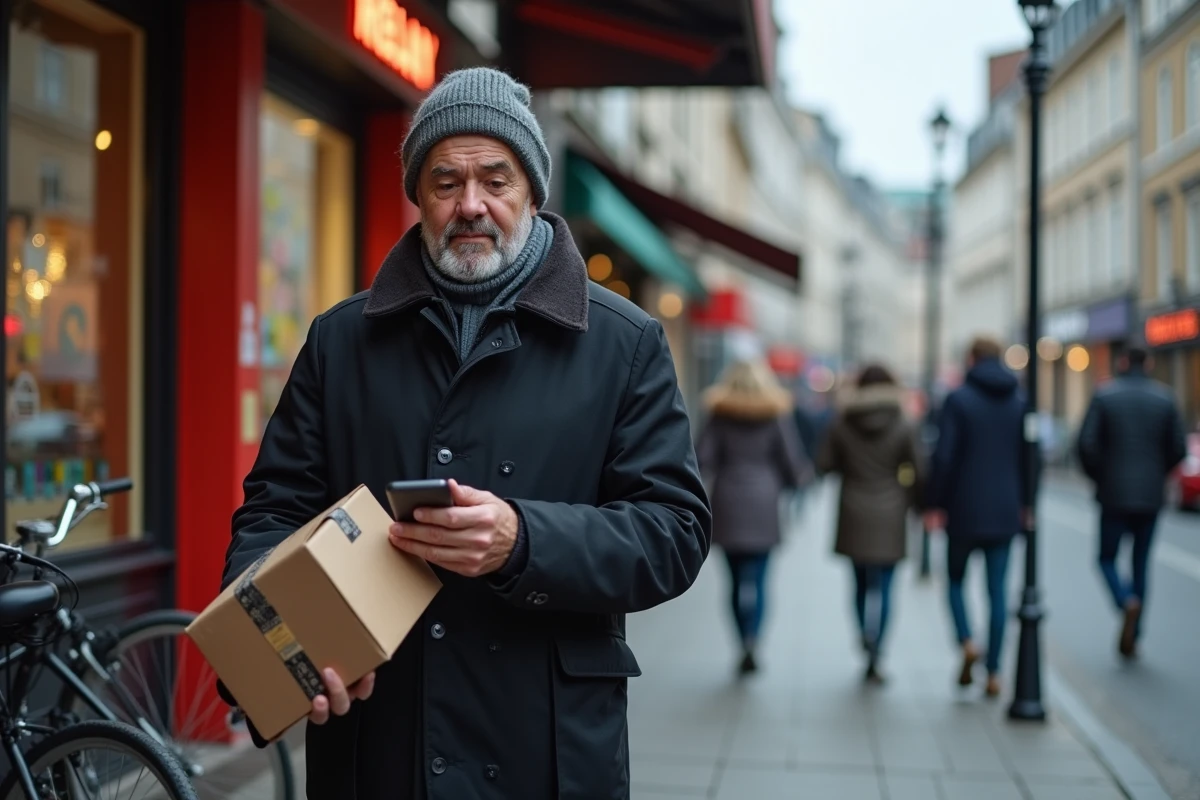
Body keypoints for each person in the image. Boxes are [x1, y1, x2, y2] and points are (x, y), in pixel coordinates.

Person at [218, 67, 712, 799]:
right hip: (377, 752)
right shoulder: (340, 339)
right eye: (445, 181)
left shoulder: (625, 341)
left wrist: (524, 540)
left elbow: (674, 531)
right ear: (417, 195)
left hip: (544, 754)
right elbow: (274, 512)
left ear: (534, 193)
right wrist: (287, 651)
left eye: (496, 179)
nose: (470, 205)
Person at [926, 336, 1026, 698]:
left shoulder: (959, 400)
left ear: (971, 358)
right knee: (997, 591)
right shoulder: (1019, 400)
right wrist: (1027, 503)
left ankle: (967, 640)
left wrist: (933, 503)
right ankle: (995, 671)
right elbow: (1031, 457)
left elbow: (944, 456)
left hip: (964, 510)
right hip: (1005, 510)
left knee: (954, 580)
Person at [697, 359, 808, 676]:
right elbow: (791, 462)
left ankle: (740, 641)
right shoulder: (775, 414)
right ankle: (754, 639)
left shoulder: (719, 415)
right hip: (763, 502)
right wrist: (793, 484)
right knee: (759, 580)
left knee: (733, 582)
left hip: (728, 501)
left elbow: (702, 457)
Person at [1076, 345, 1186, 659]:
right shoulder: (1165, 399)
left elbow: (1086, 444)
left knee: (1106, 558)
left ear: (1123, 362)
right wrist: (1157, 474)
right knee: (1141, 562)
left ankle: (1125, 602)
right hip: (1150, 497)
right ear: (1148, 363)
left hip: (1113, 495)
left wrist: (1101, 476)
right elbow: (1178, 448)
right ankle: (1134, 634)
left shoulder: (1105, 395)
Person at [817, 363, 923, 684]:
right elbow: (917, 467)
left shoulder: (843, 422)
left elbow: (824, 464)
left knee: (860, 582)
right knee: (887, 585)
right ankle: (879, 649)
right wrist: (914, 499)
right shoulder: (904, 423)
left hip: (853, 509)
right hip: (891, 511)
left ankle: (865, 633)